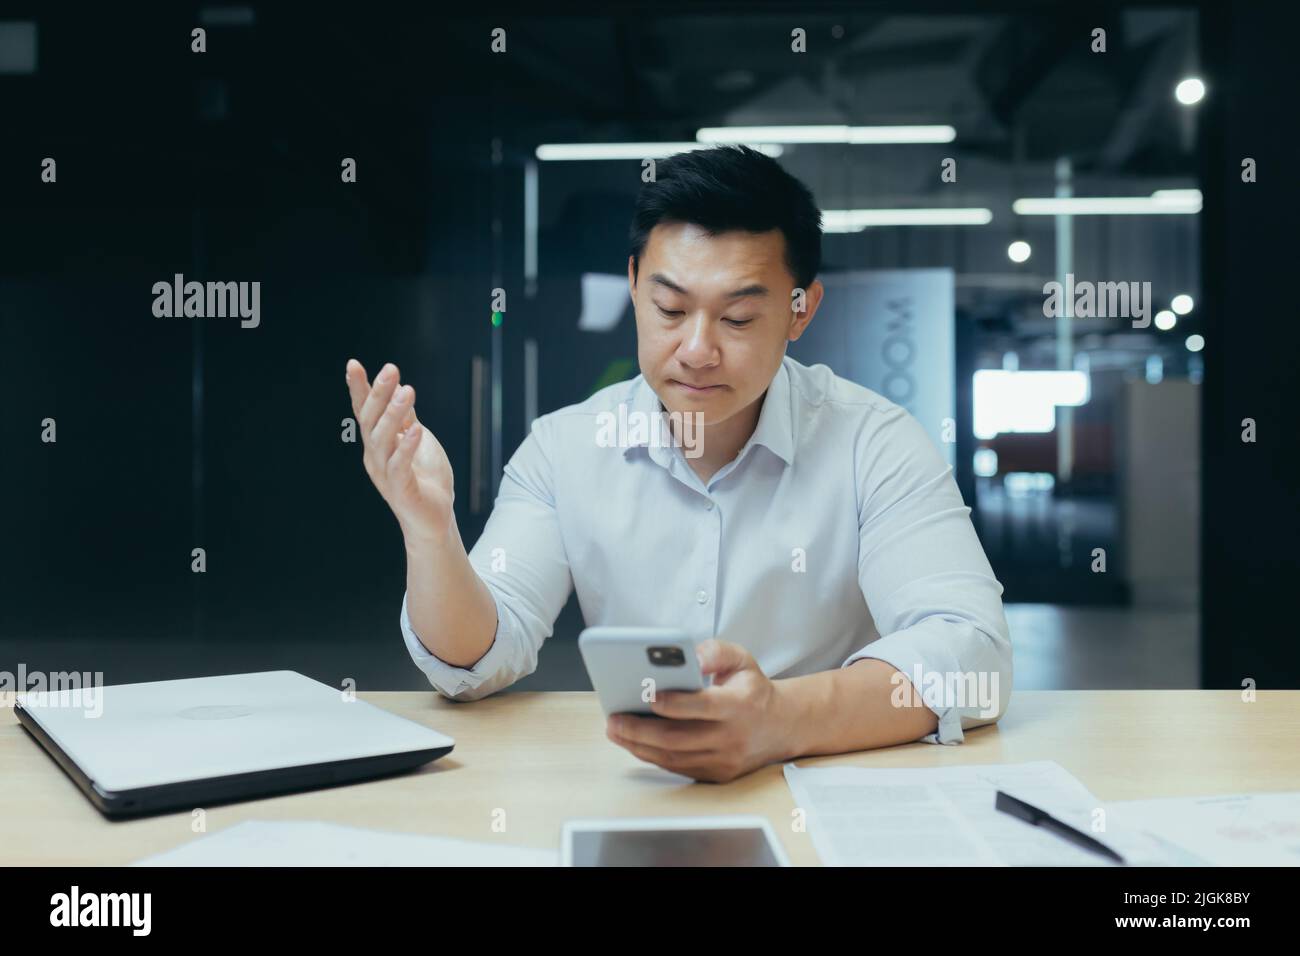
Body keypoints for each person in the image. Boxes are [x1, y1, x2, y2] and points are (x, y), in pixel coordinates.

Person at [344, 145, 1011, 783]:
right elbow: (472, 660)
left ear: (800, 311)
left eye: (740, 319)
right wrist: (430, 531)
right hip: (638, 791)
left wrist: (782, 720)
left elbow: (971, 651)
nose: (696, 350)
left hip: (827, 791)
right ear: (634, 287)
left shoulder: (875, 444)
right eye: (670, 308)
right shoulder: (566, 449)